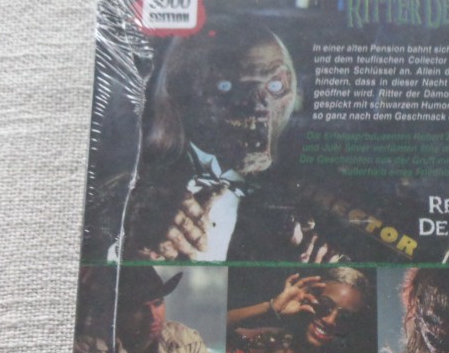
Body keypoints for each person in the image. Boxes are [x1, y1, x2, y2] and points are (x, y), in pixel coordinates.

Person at [96, 20, 341, 263]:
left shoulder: (307, 196)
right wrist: (130, 232)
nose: (257, 106)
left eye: (275, 85)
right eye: (225, 87)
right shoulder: (131, 179)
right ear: (182, 91)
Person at [226, 268, 374, 353]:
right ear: (310, 296)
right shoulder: (274, 338)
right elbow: (216, 326)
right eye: (325, 305)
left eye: (344, 317)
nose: (330, 320)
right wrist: (271, 307)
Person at [74, 266, 219, 353]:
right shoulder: (88, 352)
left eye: (158, 303)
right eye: (140, 308)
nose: (153, 316)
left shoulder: (186, 340)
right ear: (118, 312)